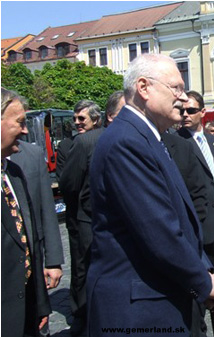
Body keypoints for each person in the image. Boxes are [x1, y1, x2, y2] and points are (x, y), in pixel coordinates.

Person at [87, 54, 214, 336]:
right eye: (176, 88)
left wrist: (205, 270)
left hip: (157, 299)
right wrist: (203, 280)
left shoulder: (147, 136)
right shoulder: (127, 141)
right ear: (144, 88)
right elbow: (158, 230)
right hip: (139, 311)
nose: (184, 98)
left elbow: (179, 219)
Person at [1, 88, 51, 336]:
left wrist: (40, 303)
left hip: (27, 313)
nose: (25, 130)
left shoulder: (14, 174)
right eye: (20, 122)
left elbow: (29, 243)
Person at [59, 99, 103, 336]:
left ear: (95, 119)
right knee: (80, 268)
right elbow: (67, 182)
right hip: (78, 216)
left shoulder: (104, 140)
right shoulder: (67, 145)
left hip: (97, 215)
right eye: (74, 119)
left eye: (81, 119)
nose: (77, 123)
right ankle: (80, 314)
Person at [177, 90, 214, 264]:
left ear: (202, 112)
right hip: (198, 220)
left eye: (191, 110)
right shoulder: (177, 142)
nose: (185, 115)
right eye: (182, 111)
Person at [11, 140, 64, 291]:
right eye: (19, 122)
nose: (25, 130)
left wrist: (53, 261)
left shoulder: (32, 154)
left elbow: (46, 208)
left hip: (29, 260)